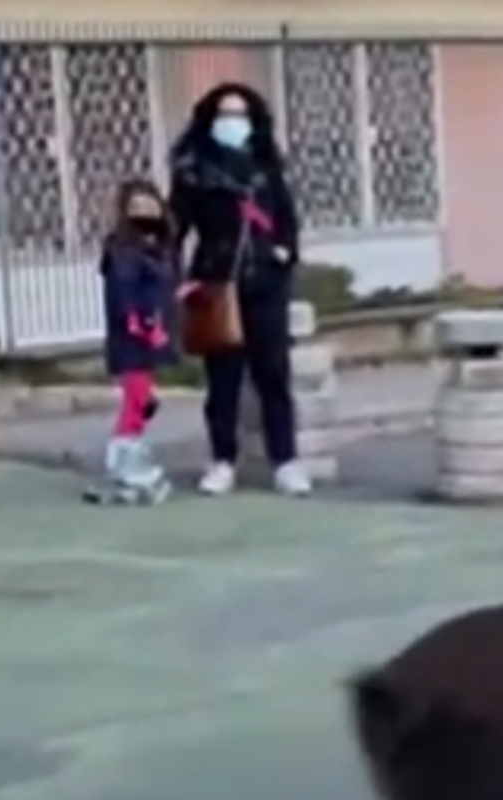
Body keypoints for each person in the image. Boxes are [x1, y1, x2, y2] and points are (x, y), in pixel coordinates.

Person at [167, 81, 310, 497]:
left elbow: (286, 218)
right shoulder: (195, 170)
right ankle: (222, 460)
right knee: (222, 381)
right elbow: (175, 229)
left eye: (240, 114)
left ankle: (285, 460)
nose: (233, 122)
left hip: (265, 281)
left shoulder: (267, 168)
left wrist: (284, 252)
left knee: (273, 374)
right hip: (216, 282)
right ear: (210, 119)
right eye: (225, 114)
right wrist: (177, 280)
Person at [85, 177, 176, 506]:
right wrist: (143, 324)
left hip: (147, 340)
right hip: (132, 340)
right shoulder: (124, 251)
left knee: (142, 402)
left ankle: (128, 460)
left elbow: (162, 290)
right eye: (136, 206)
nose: (145, 211)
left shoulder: (158, 247)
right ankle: (122, 466)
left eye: (149, 204)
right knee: (136, 402)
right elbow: (126, 295)